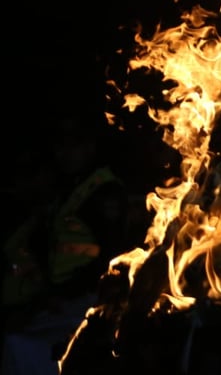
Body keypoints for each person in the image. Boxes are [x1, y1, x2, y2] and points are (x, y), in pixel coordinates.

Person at [2, 110, 140, 375]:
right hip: (63, 297)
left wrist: (69, 294)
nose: (65, 154)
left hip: (87, 298)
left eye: (73, 146)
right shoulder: (71, 190)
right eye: (60, 146)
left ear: (90, 147)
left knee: (28, 346)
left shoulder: (102, 191)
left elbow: (110, 255)